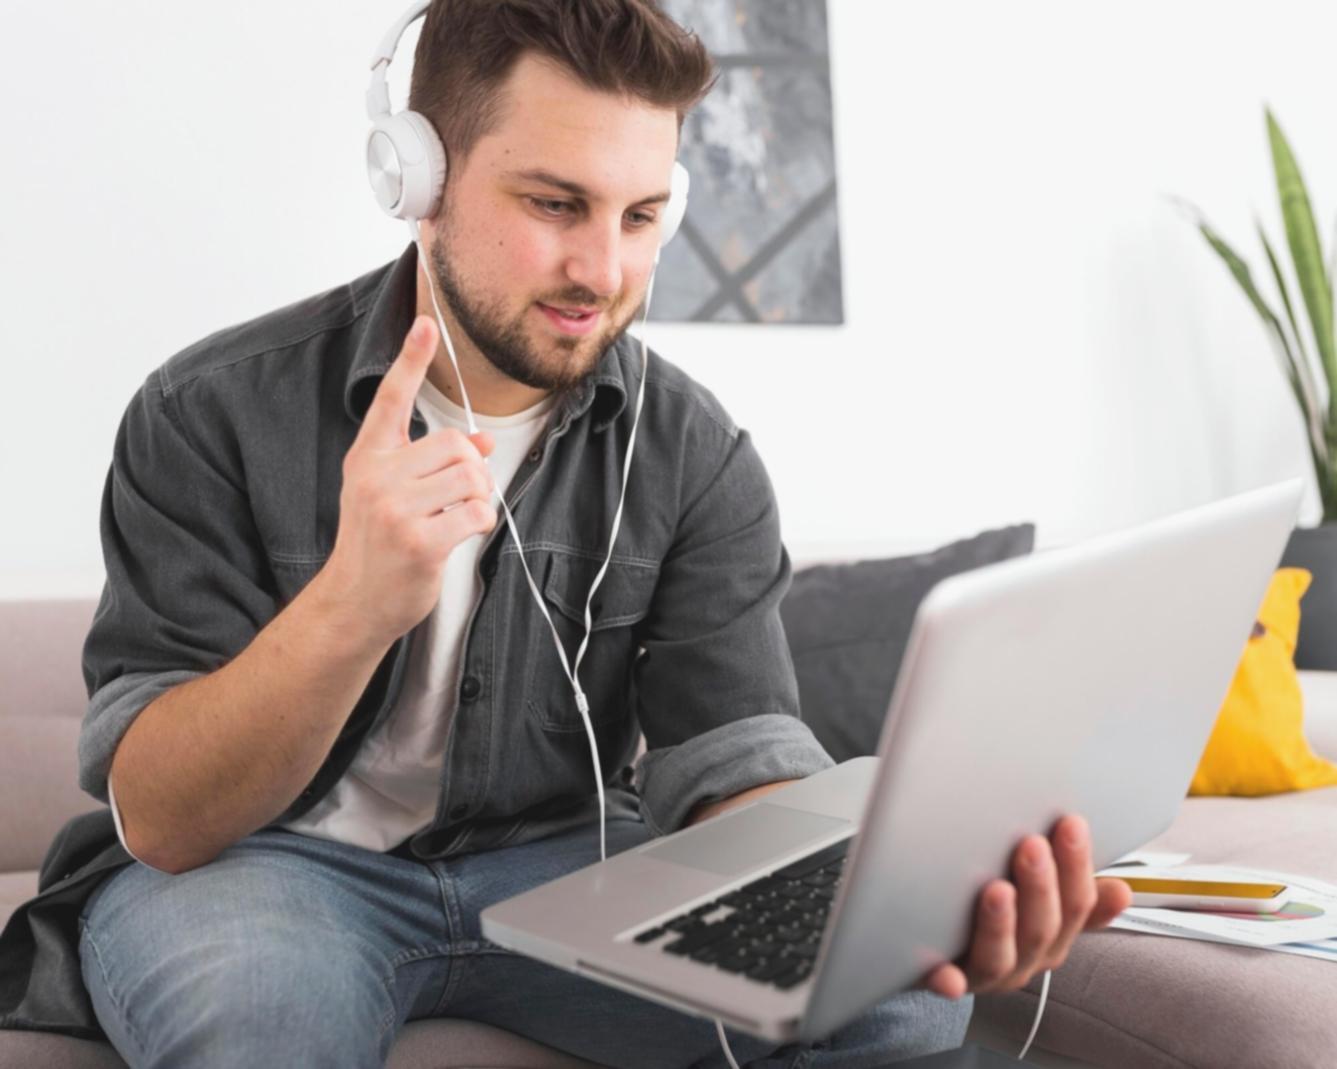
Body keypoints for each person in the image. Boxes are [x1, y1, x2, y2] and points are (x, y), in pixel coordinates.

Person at [0, 1, 1130, 1066]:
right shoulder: (210, 411)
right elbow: (160, 814)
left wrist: (872, 895)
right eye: (553, 204)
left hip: (562, 873)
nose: (603, 272)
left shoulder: (690, 447)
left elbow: (731, 758)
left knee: (896, 1000)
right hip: (256, 871)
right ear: (416, 179)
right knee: (259, 1018)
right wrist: (349, 607)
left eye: (640, 217)